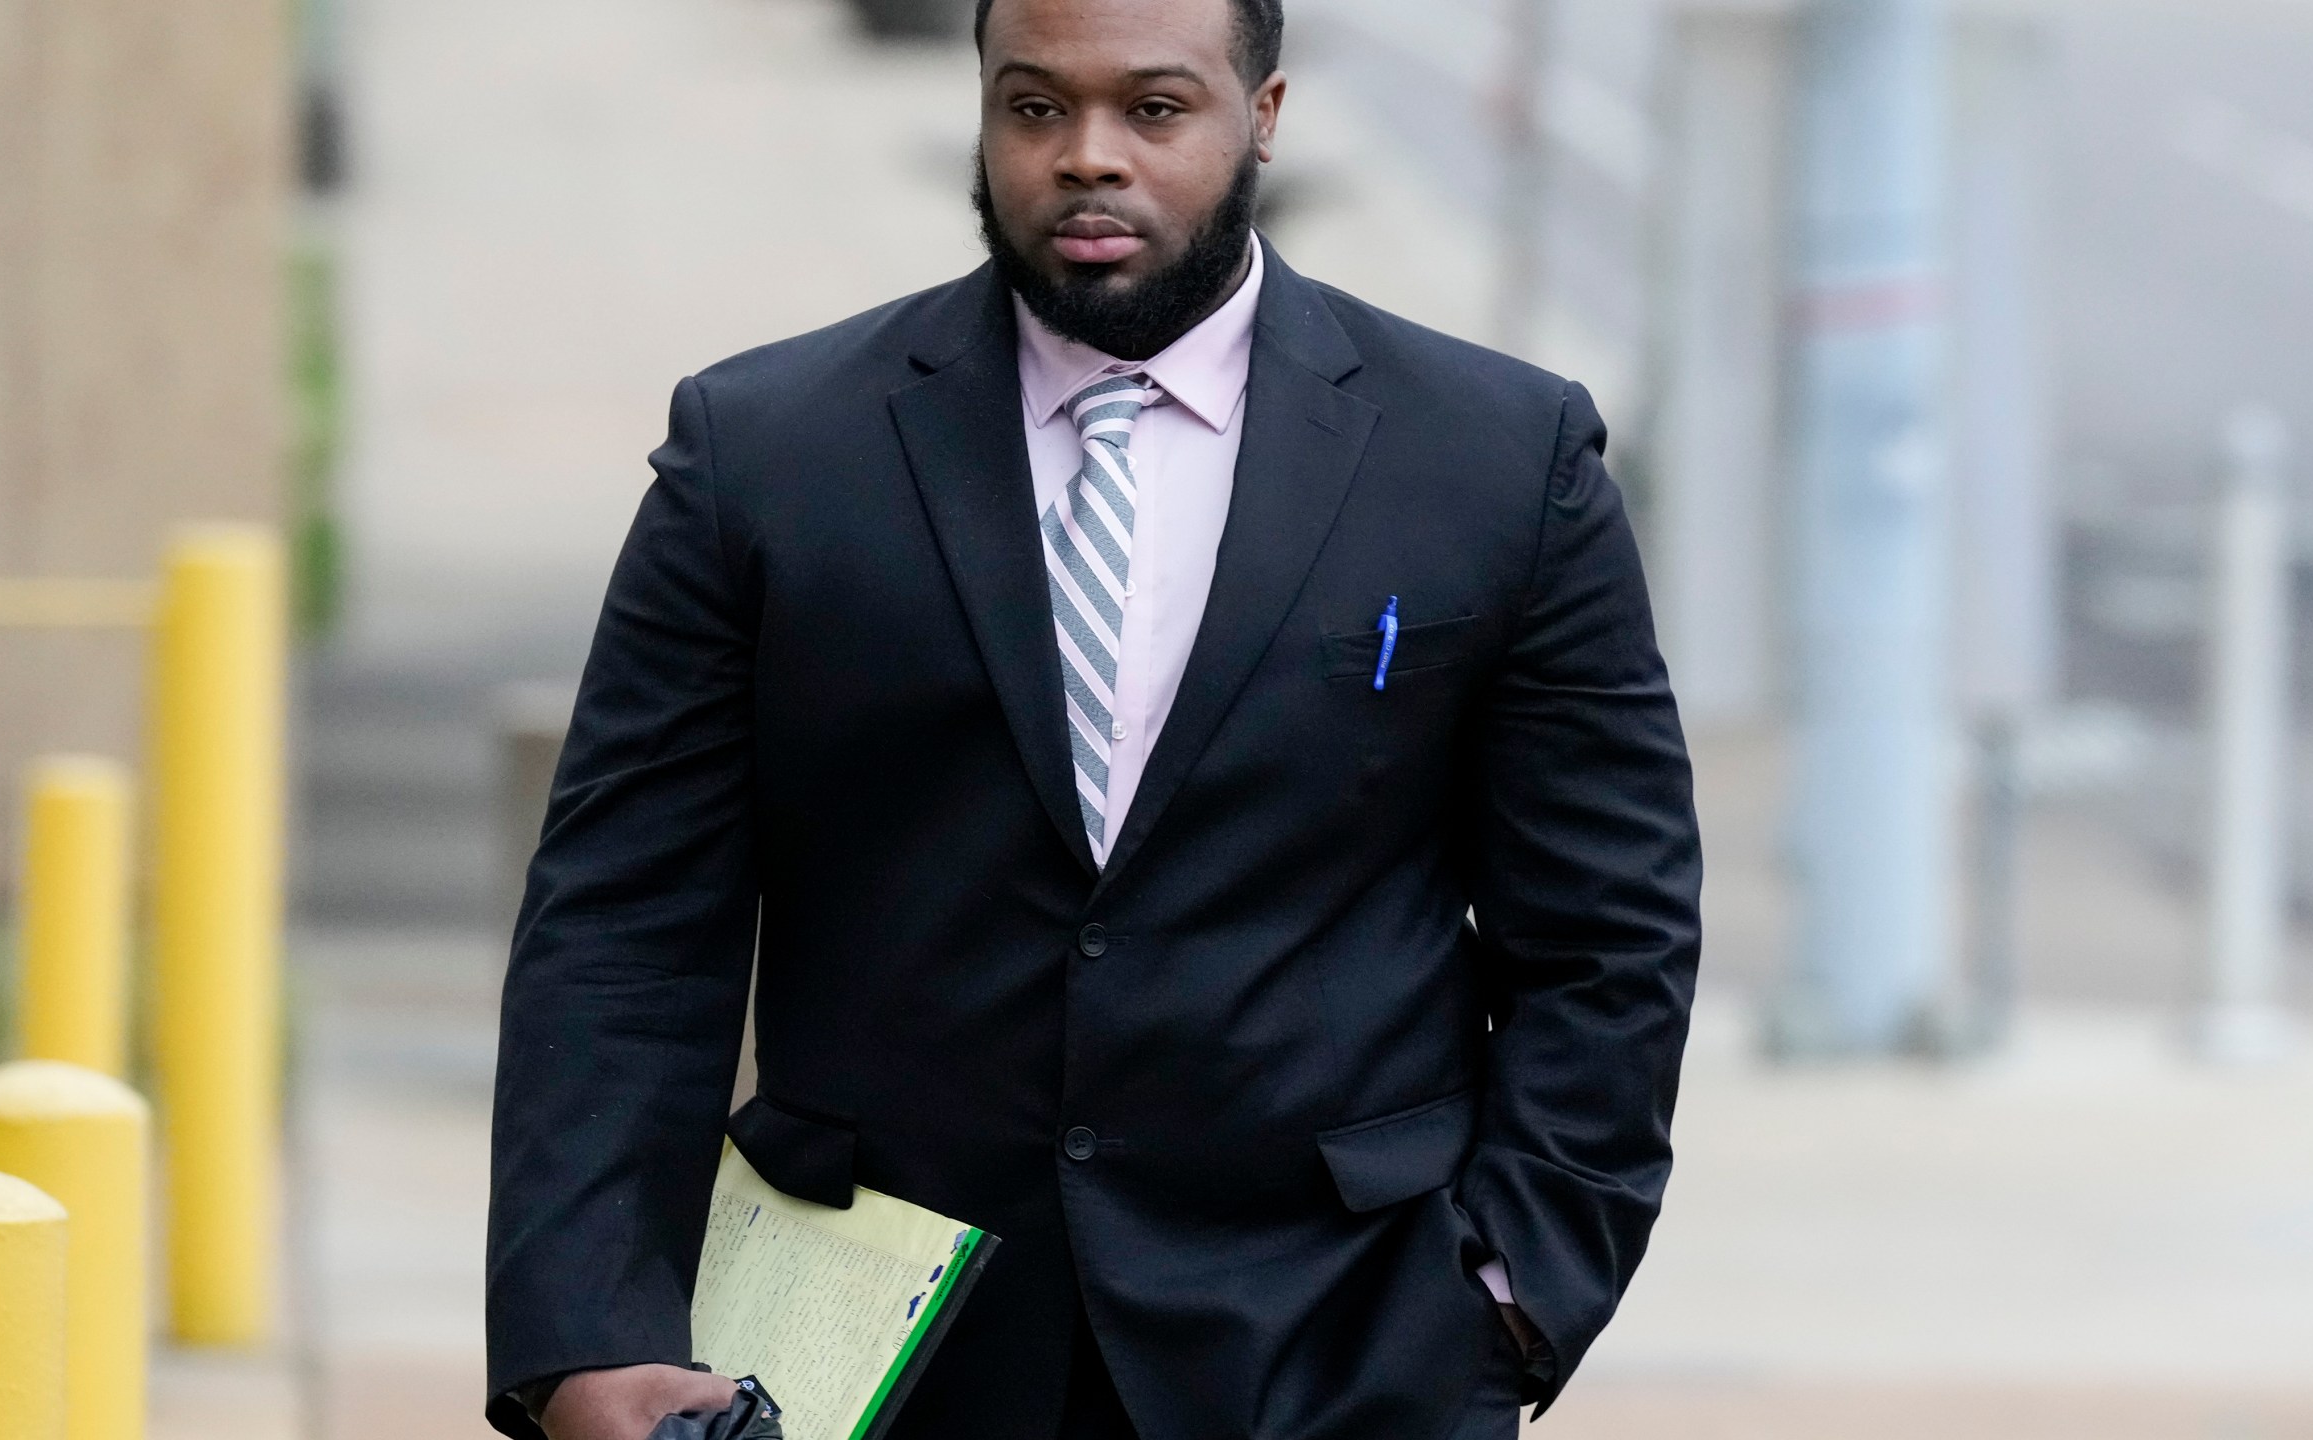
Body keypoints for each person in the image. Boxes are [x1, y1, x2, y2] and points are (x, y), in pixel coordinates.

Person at [484, 0, 1701, 1435]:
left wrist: (1509, 1293)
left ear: (1265, 112)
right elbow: (623, 926)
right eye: (1035, 106)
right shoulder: (762, 455)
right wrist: (588, 1330)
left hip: (1344, 1345)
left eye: (1156, 109)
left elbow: (1609, 934)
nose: (1087, 158)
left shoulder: (1499, 458)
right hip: (874, 1359)